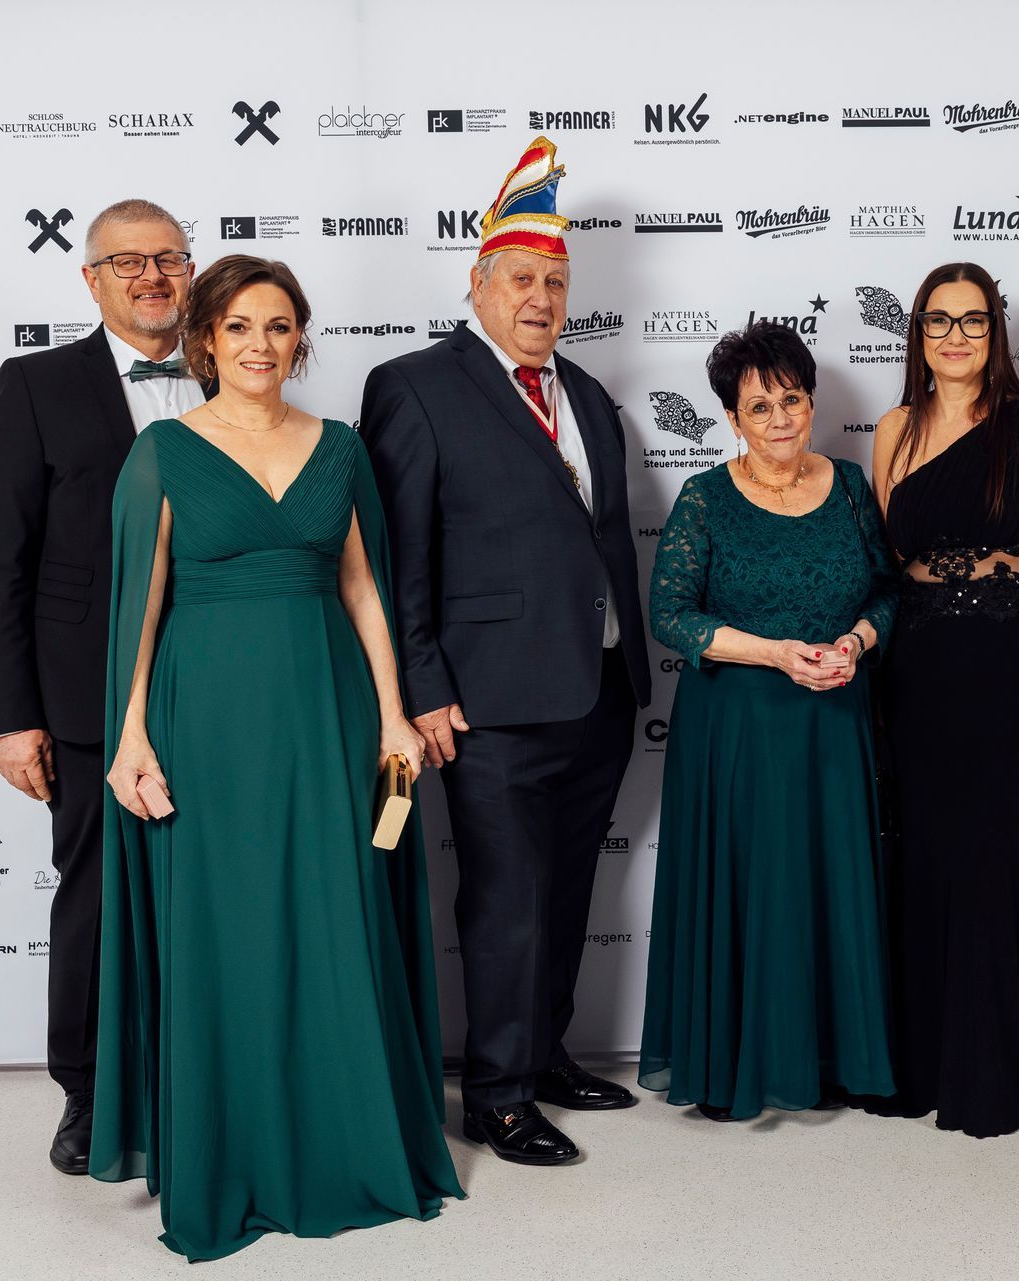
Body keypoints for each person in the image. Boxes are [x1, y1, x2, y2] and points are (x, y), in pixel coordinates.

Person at [92, 255, 461, 1259]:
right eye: (240, 326)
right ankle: (234, 1151)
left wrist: (392, 715)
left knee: (335, 910)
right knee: (230, 925)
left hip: (328, 709)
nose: (261, 344)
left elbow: (363, 586)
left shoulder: (339, 446)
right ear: (206, 341)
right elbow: (140, 608)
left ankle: (347, 1139)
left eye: (280, 326)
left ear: (301, 340)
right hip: (207, 719)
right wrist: (130, 735)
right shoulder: (164, 451)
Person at [360, 136, 650, 1165]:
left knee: (566, 891)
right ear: (478, 284)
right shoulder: (414, 386)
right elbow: (399, 556)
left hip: (597, 689)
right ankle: (497, 1093)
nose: (541, 297)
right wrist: (423, 685)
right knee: (506, 900)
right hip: (486, 701)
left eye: (556, 282)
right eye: (521, 278)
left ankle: (544, 1054)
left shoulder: (587, 393)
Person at [0, 198, 205, 1175]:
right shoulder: (35, 384)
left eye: (169, 259)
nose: (152, 277)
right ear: (92, 279)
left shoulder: (234, 367)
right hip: (86, 691)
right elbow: (4, 561)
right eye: (128, 262)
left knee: (210, 887)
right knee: (99, 894)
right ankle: (88, 1091)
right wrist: (12, 715)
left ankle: (206, 1079)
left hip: (220, 683)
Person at [641, 322, 897, 1121]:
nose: (780, 417)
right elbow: (669, 614)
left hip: (833, 723)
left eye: (792, 399)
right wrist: (774, 653)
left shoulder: (850, 485)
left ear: (812, 402)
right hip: (738, 730)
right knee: (751, 890)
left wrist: (856, 642)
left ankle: (830, 1059)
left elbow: (888, 592)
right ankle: (735, 1065)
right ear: (732, 418)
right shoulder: (704, 498)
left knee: (826, 886)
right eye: (759, 406)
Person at [863, 261, 1019, 1138]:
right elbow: (888, 567)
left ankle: (992, 1067)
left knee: (996, 862)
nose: (955, 337)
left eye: (973, 321)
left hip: (1009, 668)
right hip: (919, 672)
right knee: (926, 858)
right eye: (938, 321)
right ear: (918, 334)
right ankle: (923, 1060)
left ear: (995, 334)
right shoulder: (893, 430)